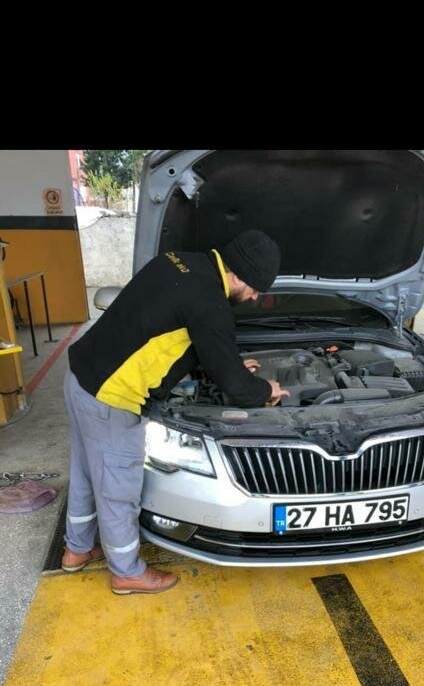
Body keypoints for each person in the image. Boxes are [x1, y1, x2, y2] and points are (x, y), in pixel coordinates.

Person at [62, 230, 289, 595]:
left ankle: (77, 548)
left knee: (87, 473)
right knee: (119, 488)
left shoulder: (175, 261)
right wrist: (267, 390)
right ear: (239, 275)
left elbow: (172, 328)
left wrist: (225, 363)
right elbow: (239, 389)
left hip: (81, 375)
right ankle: (126, 571)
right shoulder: (210, 303)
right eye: (255, 288)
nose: (255, 297)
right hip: (112, 396)